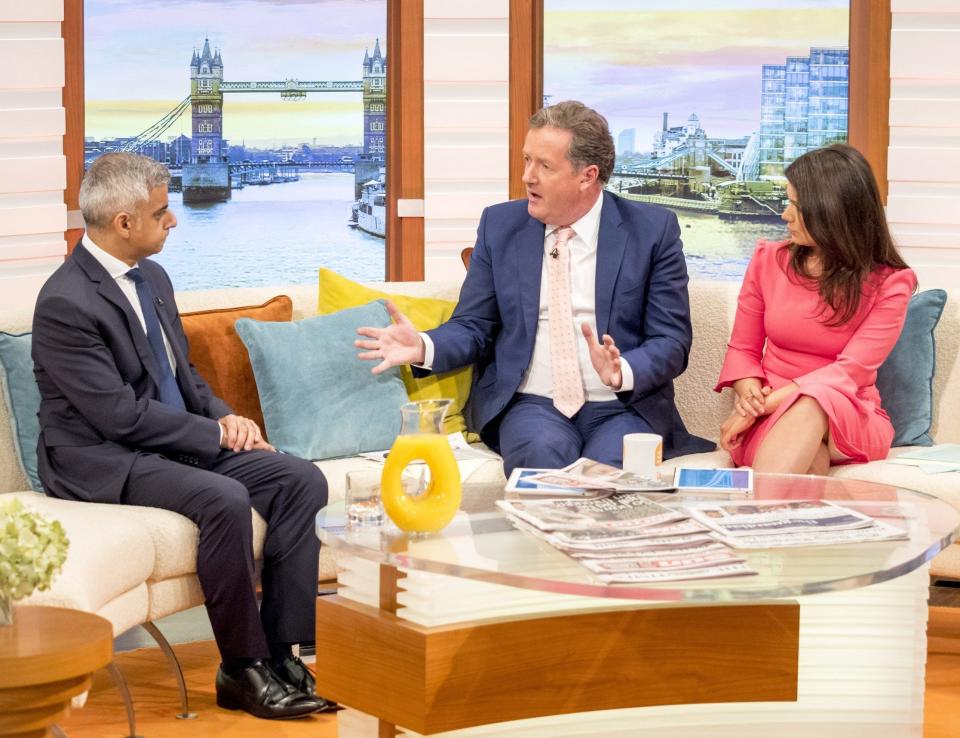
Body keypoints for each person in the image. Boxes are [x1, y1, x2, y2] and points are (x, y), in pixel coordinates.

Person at [31, 153, 336, 720]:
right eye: (161, 211)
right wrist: (213, 433)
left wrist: (229, 417)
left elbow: (183, 376)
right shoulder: (64, 303)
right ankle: (241, 669)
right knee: (223, 497)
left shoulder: (155, 278)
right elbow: (118, 416)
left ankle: (283, 652)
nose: (172, 221)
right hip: (103, 458)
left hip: (173, 444)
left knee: (299, 479)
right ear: (124, 223)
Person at [357, 101, 711, 474]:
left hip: (622, 407)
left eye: (544, 166)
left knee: (607, 476)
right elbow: (474, 326)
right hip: (533, 404)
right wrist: (423, 347)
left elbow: (671, 341)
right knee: (540, 464)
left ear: (587, 176)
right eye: (527, 160)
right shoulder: (500, 226)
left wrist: (623, 369)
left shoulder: (651, 231)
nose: (528, 176)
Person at [716, 143, 916, 474]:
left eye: (796, 205)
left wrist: (760, 406)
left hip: (849, 414)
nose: (784, 215)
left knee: (815, 399)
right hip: (769, 412)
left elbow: (849, 373)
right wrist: (748, 390)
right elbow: (742, 349)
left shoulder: (892, 283)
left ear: (831, 210)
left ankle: (751, 517)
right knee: (811, 463)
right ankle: (790, 522)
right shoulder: (768, 260)